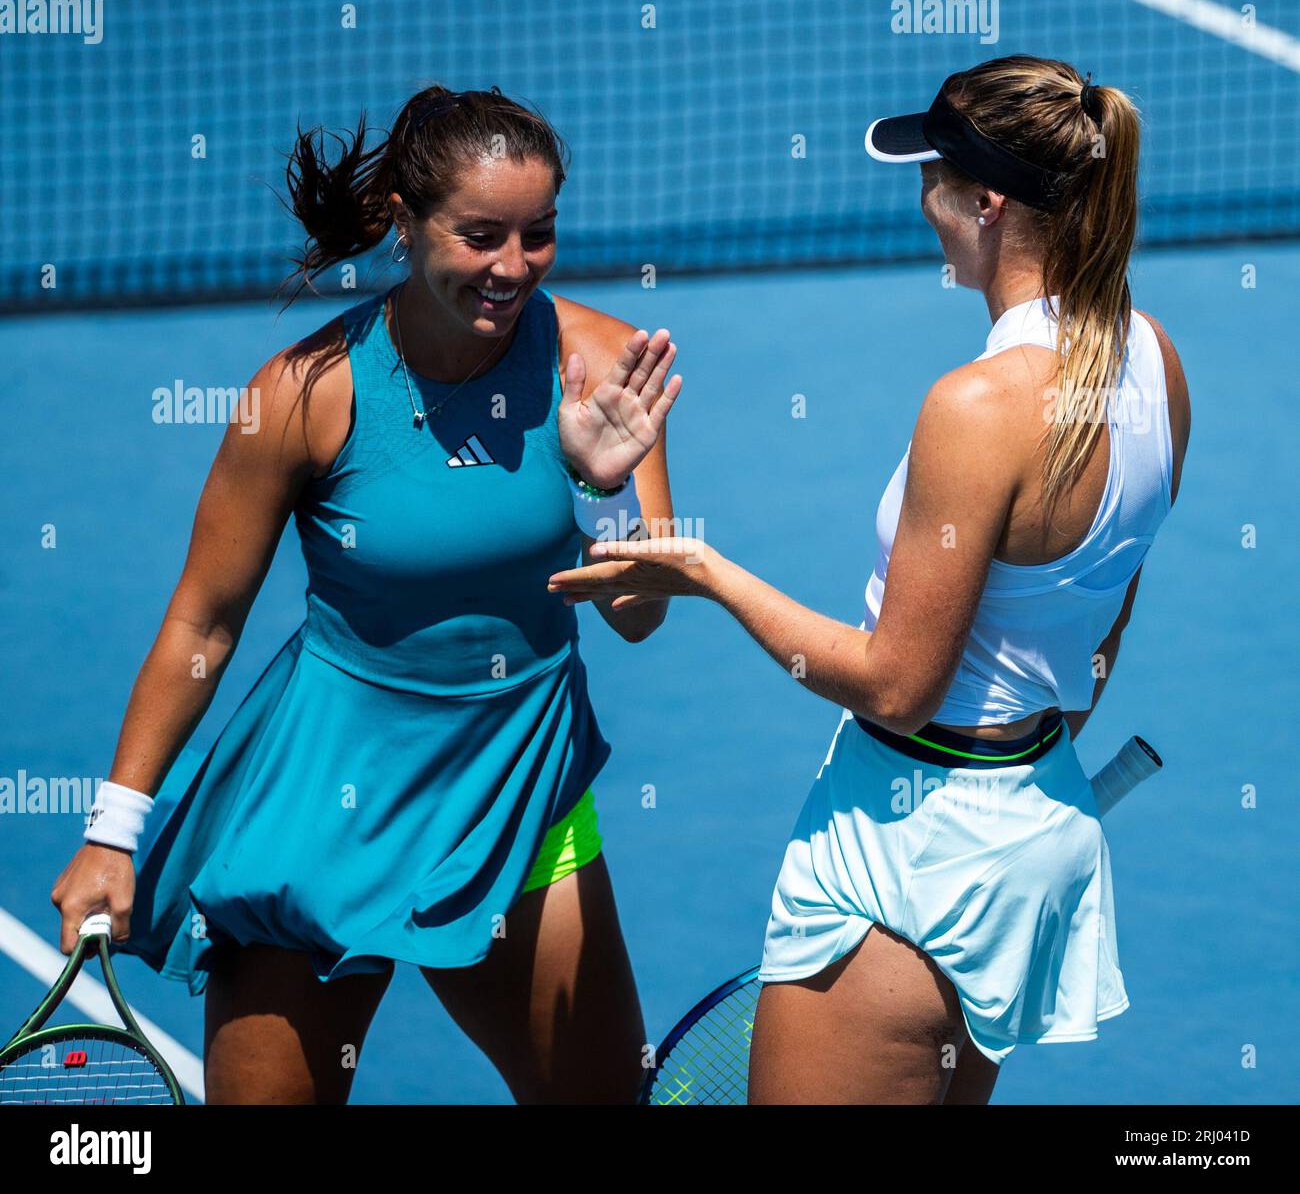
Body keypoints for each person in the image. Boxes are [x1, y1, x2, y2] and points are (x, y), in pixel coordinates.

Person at [548, 55, 1191, 1104]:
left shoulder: (979, 407)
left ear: (983, 202)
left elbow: (896, 686)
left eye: (931, 176)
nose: (921, 202)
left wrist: (707, 572)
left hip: (907, 865)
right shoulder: (1153, 362)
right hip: (1028, 838)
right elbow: (1102, 622)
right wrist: (1018, 776)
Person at [50, 86, 682, 1105]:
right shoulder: (302, 396)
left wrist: (599, 491)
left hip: (520, 785)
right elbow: (202, 622)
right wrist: (110, 831)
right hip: (323, 792)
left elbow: (640, 614)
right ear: (404, 220)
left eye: (538, 235)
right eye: (481, 235)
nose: (513, 268)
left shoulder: (600, 368)